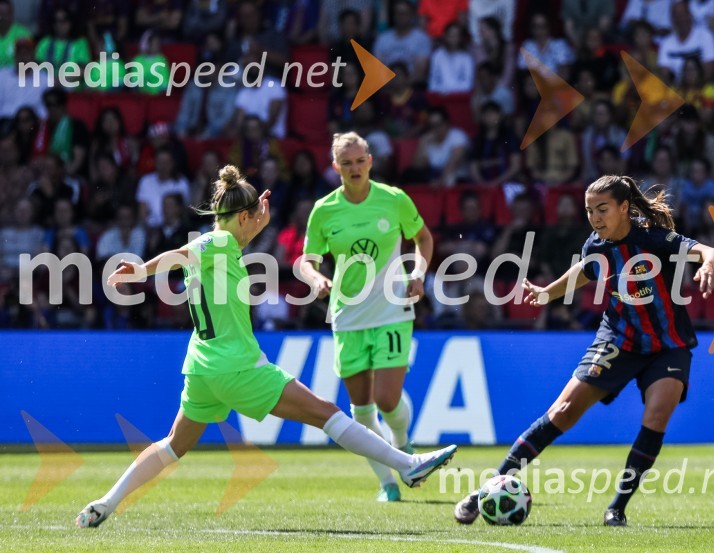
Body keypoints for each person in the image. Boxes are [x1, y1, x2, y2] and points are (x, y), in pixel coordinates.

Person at [76, 164, 456, 528]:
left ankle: (107, 502)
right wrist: (142, 270)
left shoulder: (223, 244)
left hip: (202, 367)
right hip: (237, 366)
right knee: (325, 412)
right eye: (254, 217)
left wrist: (254, 222)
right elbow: (186, 252)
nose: (258, 223)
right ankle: (406, 465)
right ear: (243, 218)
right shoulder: (219, 241)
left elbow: (202, 251)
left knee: (173, 445)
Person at [453, 175, 714, 527]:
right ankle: (484, 491)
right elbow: (584, 271)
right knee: (563, 410)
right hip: (618, 341)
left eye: (602, 209)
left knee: (656, 415)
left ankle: (617, 508)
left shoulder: (654, 239)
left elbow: (711, 251)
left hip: (668, 345)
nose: (595, 217)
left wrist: (706, 265)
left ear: (624, 208)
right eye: (589, 210)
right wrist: (547, 293)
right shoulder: (595, 246)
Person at [299, 132, 436, 502]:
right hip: (347, 315)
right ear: (335, 167)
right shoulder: (324, 210)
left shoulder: (393, 199)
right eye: (347, 163)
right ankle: (387, 483)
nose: (354, 168)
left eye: (360, 161)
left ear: (370, 161)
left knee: (387, 399)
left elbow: (423, 238)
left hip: (392, 309)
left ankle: (404, 446)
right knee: (360, 410)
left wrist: (418, 274)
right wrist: (316, 278)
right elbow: (306, 261)